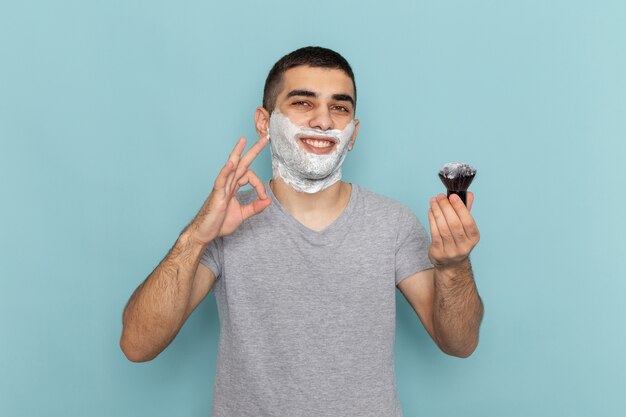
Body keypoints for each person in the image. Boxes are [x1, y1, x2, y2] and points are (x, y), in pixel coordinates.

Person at [120, 46, 483, 417]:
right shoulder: (227, 219)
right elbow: (137, 345)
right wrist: (197, 234)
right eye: (303, 103)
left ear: (353, 133)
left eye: (340, 107)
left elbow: (459, 343)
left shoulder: (392, 222)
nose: (323, 121)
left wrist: (455, 266)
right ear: (264, 121)